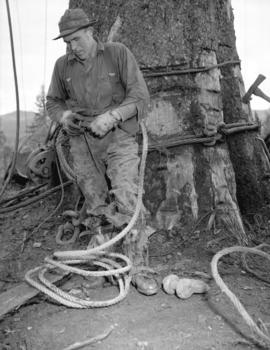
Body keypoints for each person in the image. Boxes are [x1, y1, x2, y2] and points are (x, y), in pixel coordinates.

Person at [46, 8, 158, 295]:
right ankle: (103, 264)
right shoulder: (62, 67)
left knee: (127, 197)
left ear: (90, 32)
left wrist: (114, 116)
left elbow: (140, 97)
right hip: (82, 142)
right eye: (67, 42)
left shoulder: (117, 54)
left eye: (76, 39)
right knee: (95, 205)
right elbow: (53, 103)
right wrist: (64, 117)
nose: (73, 46)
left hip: (119, 137)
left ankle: (140, 267)